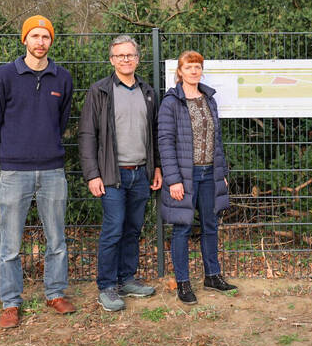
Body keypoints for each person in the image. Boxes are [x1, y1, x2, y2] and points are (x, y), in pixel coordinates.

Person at [0, 15, 76, 328]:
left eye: (46, 36)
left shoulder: (62, 77)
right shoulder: (5, 75)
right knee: (10, 243)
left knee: (57, 239)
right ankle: (10, 303)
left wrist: (47, 146)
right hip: (14, 171)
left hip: (52, 170)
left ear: (51, 41)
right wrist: (7, 157)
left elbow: (61, 122)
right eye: (35, 36)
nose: (40, 42)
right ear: (24, 39)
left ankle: (54, 293)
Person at [78, 35, 162, 312]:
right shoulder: (99, 91)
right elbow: (88, 134)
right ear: (112, 60)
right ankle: (107, 285)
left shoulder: (148, 92)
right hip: (111, 175)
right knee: (113, 229)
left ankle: (127, 278)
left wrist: (156, 167)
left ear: (138, 59)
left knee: (133, 229)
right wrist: (92, 174)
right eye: (120, 56)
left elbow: (155, 134)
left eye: (130, 55)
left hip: (141, 173)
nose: (125, 60)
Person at [158, 50, 236, 304]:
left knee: (210, 224)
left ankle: (212, 275)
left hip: (209, 172)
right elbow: (165, 142)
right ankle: (183, 283)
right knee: (182, 227)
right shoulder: (171, 102)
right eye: (189, 67)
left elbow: (217, 140)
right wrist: (174, 179)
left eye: (197, 67)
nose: (194, 71)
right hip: (185, 175)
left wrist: (221, 173)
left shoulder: (209, 99)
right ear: (179, 72)